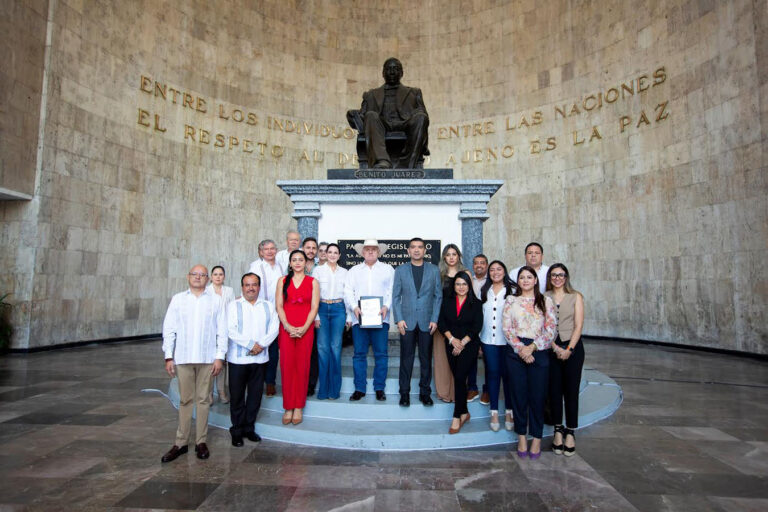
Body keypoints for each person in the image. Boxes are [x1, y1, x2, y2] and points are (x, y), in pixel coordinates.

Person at [160, 265, 227, 463]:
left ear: (207, 279)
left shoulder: (216, 300)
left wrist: (219, 356)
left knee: (203, 400)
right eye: (194, 274)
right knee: (185, 400)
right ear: (188, 277)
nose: (198, 277)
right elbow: (169, 329)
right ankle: (180, 443)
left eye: (202, 275)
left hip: (207, 359)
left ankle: (201, 441)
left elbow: (222, 331)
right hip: (183, 357)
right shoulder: (178, 299)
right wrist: (168, 356)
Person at [502, 266, 557, 460]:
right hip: (516, 351)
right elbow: (507, 329)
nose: (525, 280)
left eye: (529, 277)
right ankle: (522, 437)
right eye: (522, 277)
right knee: (518, 396)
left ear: (535, 280)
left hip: (538, 351)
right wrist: (521, 350)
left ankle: (537, 439)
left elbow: (551, 330)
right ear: (518, 281)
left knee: (537, 397)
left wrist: (531, 348)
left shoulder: (546, 301)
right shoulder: (511, 301)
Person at [225, 273, 278, 447]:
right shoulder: (233, 306)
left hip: (260, 359)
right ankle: (237, 430)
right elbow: (230, 330)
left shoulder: (268, 306)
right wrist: (250, 345)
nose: (251, 288)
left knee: (255, 396)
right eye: (247, 285)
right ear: (242, 287)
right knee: (237, 396)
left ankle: (249, 428)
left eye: (254, 284)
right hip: (238, 360)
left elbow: (274, 328)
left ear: (259, 287)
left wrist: (261, 344)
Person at [392, 237, 442, 407]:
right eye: (413, 247)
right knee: (406, 359)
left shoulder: (434, 270)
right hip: (406, 322)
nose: (416, 250)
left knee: (426, 359)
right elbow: (395, 296)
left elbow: (438, 297)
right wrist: (399, 319)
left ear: (424, 250)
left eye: (420, 247)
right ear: (408, 251)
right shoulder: (400, 270)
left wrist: (435, 319)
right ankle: (404, 393)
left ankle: (425, 393)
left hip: (427, 322)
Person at [344, 239, 395, 401]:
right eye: (367, 249)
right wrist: (354, 307)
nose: (371, 251)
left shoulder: (388, 269)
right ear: (362, 252)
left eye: (374, 249)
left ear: (378, 252)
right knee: (359, 354)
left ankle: (379, 388)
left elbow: (392, 291)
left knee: (381, 354)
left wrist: (386, 306)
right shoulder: (354, 271)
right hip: (359, 319)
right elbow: (348, 291)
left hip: (381, 318)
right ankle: (359, 388)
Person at [275, 250, 320, 425]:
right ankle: (288, 406)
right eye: (294, 260)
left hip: (305, 328)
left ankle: (299, 406)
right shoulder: (282, 281)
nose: (298, 262)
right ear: (290, 263)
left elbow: (314, 307)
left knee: (302, 367)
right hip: (286, 328)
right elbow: (279, 305)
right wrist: (287, 326)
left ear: (305, 262)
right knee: (287, 366)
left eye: (301, 259)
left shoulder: (313, 282)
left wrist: (304, 327)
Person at [360, 57, 429, 169]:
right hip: (381, 124)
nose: (392, 72)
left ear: (401, 73)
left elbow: (422, 111)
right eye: (388, 69)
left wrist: (417, 114)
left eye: (395, 69)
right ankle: (382, 161)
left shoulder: (414, 92)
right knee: (370, 115)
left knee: (421, 117)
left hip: (405, 123)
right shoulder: (371, 94)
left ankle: (406, 163)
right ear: (383, 73)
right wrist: (353, 116)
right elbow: (362, 115)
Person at [546, 263, 585, 457]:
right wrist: (554, 347)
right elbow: (542, 325)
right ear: (549, 277)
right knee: (554, 391)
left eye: (561, 275)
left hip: (573, 348)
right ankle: (557, 431)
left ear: (566, 277)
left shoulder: (576, 296)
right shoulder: (544, 297)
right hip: (551, 347)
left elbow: (578, 325)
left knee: (571, 390)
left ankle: (570, 431)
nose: (557, 278)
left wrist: (569, 349)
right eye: (554, 275)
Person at [438, 271, 483, 434]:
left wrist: (462, 343)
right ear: (454, 286)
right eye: (458, 284)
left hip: (468, 345)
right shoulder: (447, 301)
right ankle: (464, 412)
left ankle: (457, 416)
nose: (461, 287)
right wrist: (452, 340)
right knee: (458, 378)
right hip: (451, 344)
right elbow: (441, 323)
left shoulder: (476, 303)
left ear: (469, 286)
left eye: (464, 284)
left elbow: (477, 326)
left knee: (459, 377)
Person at [479, 261, 518, 431]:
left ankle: (509, 411)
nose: (495, 272)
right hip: (488, 340)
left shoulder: (513, 290)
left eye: (499, 269)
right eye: (492, 270)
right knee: (493, 374)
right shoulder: (484, 291)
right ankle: (494, 412)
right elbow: (480, 316)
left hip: (508, 341)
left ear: (504, 271)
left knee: (508, 376)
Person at [312, 243, 352, 400]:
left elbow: (348, 295)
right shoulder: (318, 271)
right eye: (330, 252)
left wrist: (349, 316)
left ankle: (334, 390)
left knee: (335, 348)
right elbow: (314, 294)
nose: (332, 255)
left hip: (338, 309)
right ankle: (323, 390)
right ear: (325, 254)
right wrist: (315, 316)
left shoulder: (345, 272)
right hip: (322, 309)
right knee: (322, 349)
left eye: (336, 252)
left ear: (339, 255)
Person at [249, 239, 285, 397]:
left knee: (273, 349)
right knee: (259, 344)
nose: (270, 251)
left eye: (272, 248)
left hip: (277, 311)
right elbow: (252, 288)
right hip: (260, 311)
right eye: (266, 249)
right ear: (261, 252)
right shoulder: (256, 266)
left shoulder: (281, 266)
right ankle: (256, 382)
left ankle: (270, 382)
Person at [433, 244, 467, 403]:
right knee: (442, 359)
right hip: (442, 322)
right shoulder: (439, 275)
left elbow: (470, 299)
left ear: (459, 256)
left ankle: (457, 393)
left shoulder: (466, 273)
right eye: (448, 254)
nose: (451, 257)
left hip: (460, 322)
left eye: (454, 254)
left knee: (459, 357)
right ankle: (444, 392)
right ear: (444, 257)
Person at [207, 265, 235, 404]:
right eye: (215, 274)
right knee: (210, 362)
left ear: (224, 276)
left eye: (221, 274)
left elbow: (232, 308)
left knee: (223, 362)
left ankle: (222, 390)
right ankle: (209, 393)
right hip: (211, 330)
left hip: (226, 329)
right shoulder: (206, 291)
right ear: (211, 277)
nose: (218, 277)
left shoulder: (229, 290)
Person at [467, 254, 489, 403]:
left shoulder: (492, 281)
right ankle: (472, 388)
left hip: (488, 325)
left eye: (482, 263)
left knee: (488, 360)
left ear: (486, 265)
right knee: (471, 358)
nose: (479, 265)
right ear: (473, 265)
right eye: (476, 263)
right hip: (472, 325)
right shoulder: (469, 281)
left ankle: (487, 390)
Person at [301, 237, 319, 395]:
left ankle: (310, 384)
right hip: (298, 313)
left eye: (314, 248)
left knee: (313, 351)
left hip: (315, 313)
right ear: (303, 248)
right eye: (308, 247)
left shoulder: (321, 267)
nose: (311, 251)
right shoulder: (295, 265)